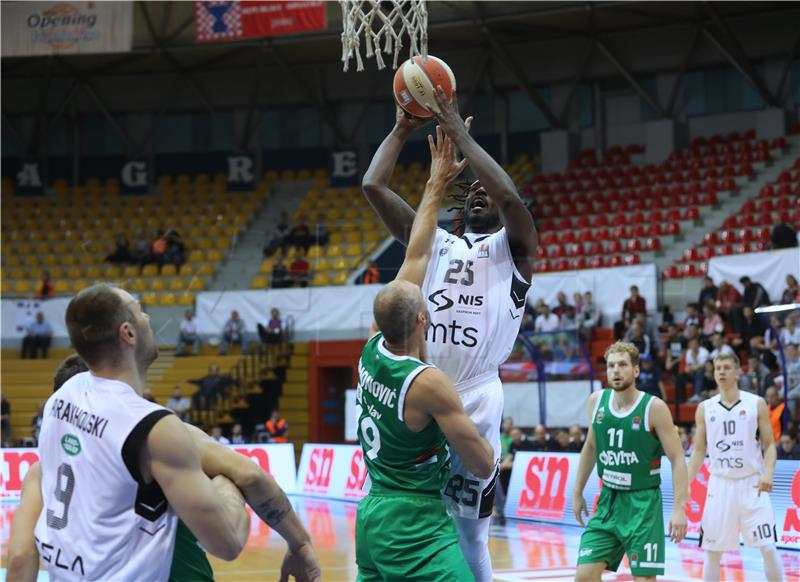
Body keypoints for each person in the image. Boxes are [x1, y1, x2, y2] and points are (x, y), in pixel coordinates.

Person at [363, 90, 536, 581]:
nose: (483, 193)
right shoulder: (434, 241)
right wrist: (401, 129)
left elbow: (509, 196)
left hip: (476, 399)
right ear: (459, 206)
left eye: (490, 191)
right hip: (423, 389)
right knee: (414, 517)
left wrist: (459, 131)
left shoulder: (515, 252)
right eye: (473, 190)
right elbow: (373, 185)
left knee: (469, 533)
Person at [6, 353, 321, 582]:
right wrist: (299, 542)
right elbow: (249, 474)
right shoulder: (156, 437)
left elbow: (20, 558)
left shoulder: (41, 470)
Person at [28, 283, 250, 580]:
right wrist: (228, 484)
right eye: (139, 310)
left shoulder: (60, 400)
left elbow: (20, 554)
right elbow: (229, 540)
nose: (147, 317)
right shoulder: (154, 427)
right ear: (127, 333)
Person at [356, 123, 493, 582]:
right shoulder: (428, 383)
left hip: (371, 509)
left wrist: (435, 182)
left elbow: (414, 254)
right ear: (422, 319)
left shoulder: (372, 349)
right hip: (411, 520)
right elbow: (483, 463)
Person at [572, 342, 688, 581]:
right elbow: (591, 446)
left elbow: (677, 459)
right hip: (608, 501)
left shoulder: (654, 407)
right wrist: (577, 491)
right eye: (611, 365)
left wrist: (679, 509)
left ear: (636, 370)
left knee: (644, 579)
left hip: (643, 504)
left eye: (623, 365)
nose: (616, 370)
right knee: (584, 575)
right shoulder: (596, 401)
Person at [686, 353, 784, 582]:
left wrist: (768, 473)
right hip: (719, 485)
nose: (721, 372)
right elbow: (699, 451)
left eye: (727, 367)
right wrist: (685, 484)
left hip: (751, 483)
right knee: (711, 552)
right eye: (718, 368)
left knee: (768, 547)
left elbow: (769, 444)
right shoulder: (705, 408)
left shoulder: (755, 403)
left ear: (738, 371)